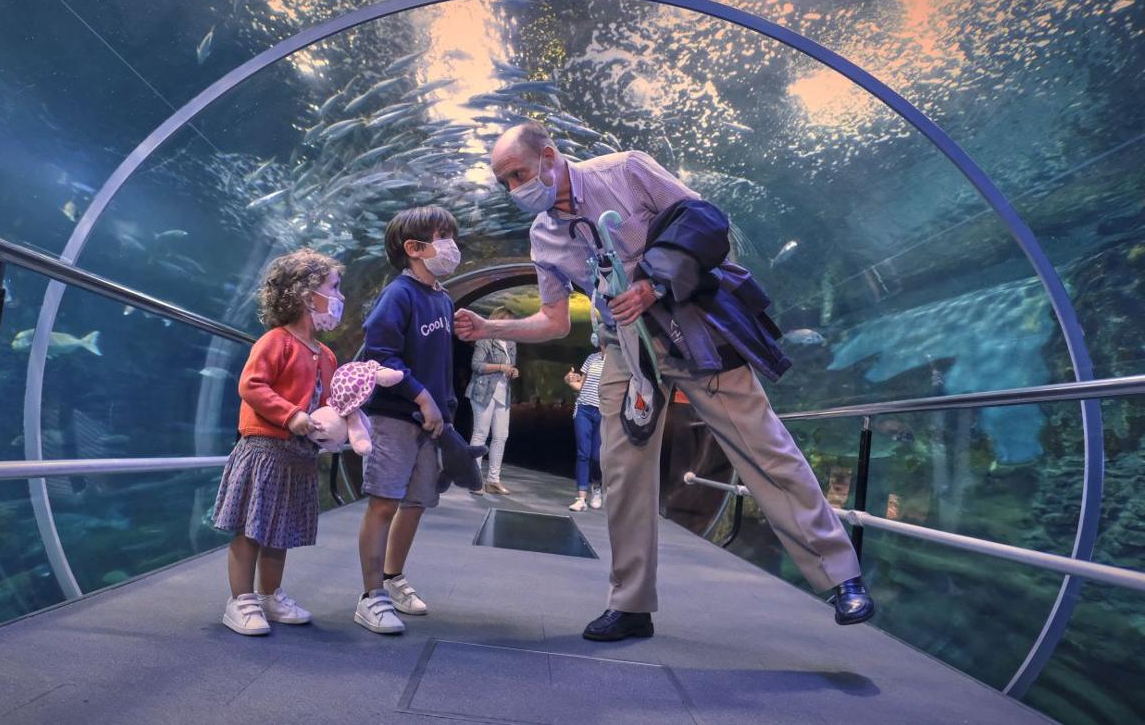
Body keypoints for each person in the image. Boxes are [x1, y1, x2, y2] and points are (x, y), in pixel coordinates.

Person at [455, 121, 873, 641]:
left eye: (519, 173)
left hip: (692, 331)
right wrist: (491, 327)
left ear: (549, 155)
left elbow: (704, 223)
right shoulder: (543, 238)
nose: (515, 188)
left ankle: (841, 577)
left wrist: (653, 284)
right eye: (505, 182)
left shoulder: (625, 170)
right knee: (623, 473)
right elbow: (555, 320)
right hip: (624, 348)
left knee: (764, 447)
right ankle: (630, 603)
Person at [212, 249, 343, 636]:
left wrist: (336, 427)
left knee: (279, 530)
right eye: (333, 288)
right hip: (265, 451)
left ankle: (270, 595)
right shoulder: (276, 341)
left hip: (298, 457)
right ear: (306, 295)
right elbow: (251, 385)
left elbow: (328, 403)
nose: (339, 298)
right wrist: (291, 415)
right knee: (250, 529)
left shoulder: (328, 354)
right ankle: (241, 601)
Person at [355, 205, 461, 634]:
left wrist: (443, 409)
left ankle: (392, 577)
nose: (452, 245)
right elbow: (380, 353)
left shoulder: (443, 296)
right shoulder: (399, 294)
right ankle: (370, 596)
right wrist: (421, 397)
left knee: (416, 502)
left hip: (431, 422)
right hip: (396, 416)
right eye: (443, 236)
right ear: (414, 248)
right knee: (384, 502)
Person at [465, 307, 519, 495]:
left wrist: (513, 371)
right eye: (507, 321)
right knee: (480, 433)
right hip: (483, 391)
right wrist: (501, 366)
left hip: (503, 393)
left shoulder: (511, 343)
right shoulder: (485, 340)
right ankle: (474, 478)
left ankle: (493, 480)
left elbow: (509, 367)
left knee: (501, 436)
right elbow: (476, 365)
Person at [563, 338, 605, 511]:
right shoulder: (591, 358)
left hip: (604, 412)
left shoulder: (619, 362)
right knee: (583, 453)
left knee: (596, 456)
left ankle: (596, 486)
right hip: (584, 410)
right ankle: (581, 497)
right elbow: (581, 385)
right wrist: (569, 380)